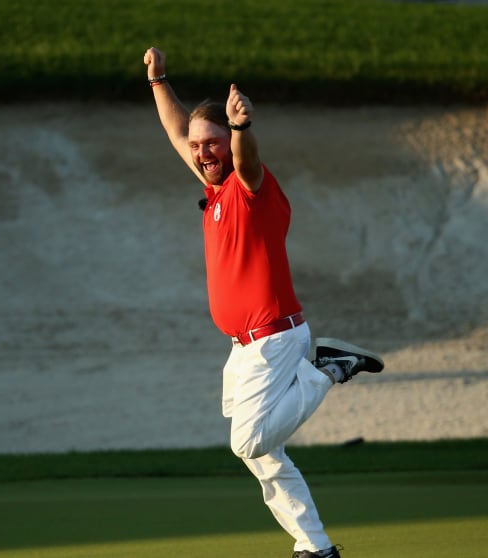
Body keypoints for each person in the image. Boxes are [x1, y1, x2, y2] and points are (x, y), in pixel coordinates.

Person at [142, 46, 385, 558]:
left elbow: (247, 161)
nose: (202, 152)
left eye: (213, 144)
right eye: (198, 145)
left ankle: (328, 369)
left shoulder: (249, 187)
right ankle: (315, 547)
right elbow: (176, 131)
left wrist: (241, 129)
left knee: (246, 442)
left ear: (229, 147)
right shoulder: (213, 191)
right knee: (266, 457)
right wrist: (159, 81)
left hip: (273, 338)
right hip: (245, 348)